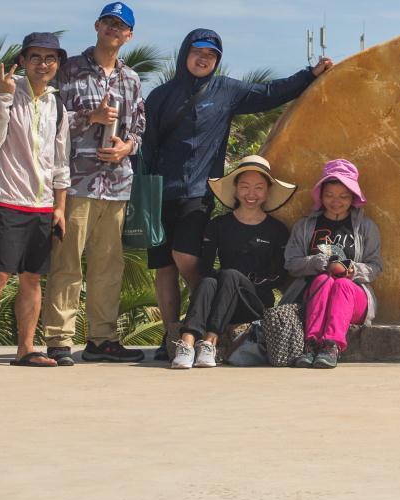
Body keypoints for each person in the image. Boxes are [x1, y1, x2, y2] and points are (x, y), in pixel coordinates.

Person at [142, 29, 331, 359]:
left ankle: (206, 314)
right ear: (186, 53)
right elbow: (146, 145)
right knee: (164, 267)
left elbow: (271, 91)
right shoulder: (160, 96)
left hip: (197, 191)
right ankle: (171, 335)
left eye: (212, 55)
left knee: (185, 258)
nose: (204, 59)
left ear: (217, 61)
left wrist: (309, 74)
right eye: (198, 52)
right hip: (159, 191)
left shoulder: (226, 91)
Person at [43, 2, 148, 364]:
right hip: (75, 182)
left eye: (121, 26)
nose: (114, 29)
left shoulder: (131, 79)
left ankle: (102, 339)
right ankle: (59, 338)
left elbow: (139, 127)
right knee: (67, 262)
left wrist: (127, 147)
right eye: (109, 22)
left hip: (116, 184)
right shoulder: (68, 69)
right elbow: (49, 118)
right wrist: (91, 117)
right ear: (97, 25)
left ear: (129, 35)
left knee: (108, 265)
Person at [0, 33, 73, 370]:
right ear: (23, 62)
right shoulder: (3, 94)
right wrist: (3, 99)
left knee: (32, 278)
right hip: (6, 199)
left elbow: (61, 160)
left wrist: (60, 207)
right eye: (36, 57)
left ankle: (26, 348)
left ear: (57, 64)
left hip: (42, 206)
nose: (43, 64)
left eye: (50, 58)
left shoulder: (57, 105)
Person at [170, 155, 298, 369]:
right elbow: (205, 267)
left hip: (254, 302)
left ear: (267, 192)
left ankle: (210, 341)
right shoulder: (218, 225)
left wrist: (247, 280)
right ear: (236, 189)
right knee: (210, 281)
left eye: (258, 188)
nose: (251, 194)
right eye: (245, 187)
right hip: (221, 297)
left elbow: (280, 274)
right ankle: (187, 344)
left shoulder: (277, 230)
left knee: (229, 274)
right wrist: (222, 280)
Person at [282, 159, 382, 369]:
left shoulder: (366, 227)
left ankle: (330, 345)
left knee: (342, 284)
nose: (336, 201)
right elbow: (291, 263)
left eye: (343, 196)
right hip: (313, 296)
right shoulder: (305, 226)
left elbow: (375, 266)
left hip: (353, 298)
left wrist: (354, 270)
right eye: (330, 195)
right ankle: (310, 344)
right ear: (321, 195)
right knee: (323, 279)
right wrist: (318, 263)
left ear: (353, 197)